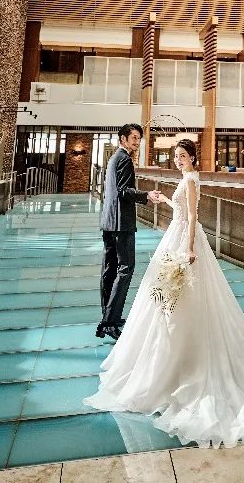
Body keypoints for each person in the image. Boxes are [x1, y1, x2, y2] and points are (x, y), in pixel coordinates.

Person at [83, 138, 244, 448]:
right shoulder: (186, 178)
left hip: (184, 240)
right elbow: (181, 210)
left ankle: (184, 355)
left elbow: (192, 217)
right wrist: (166, 201)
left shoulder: (191, 179)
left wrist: (189, 248)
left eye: (182, 156)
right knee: (164, 296)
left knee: (181, 296)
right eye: (176, 156)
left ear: (192, 157)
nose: (178, 160)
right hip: (175, 235)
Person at [97, 123, 149, 341]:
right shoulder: (125, 159)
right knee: (125, 269)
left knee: (109, 271)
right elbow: (123, 191)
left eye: (139, 138)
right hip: (121, 224)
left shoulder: (113, 158)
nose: (137, 142)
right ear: (123, 139)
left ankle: (109, 316)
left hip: (109, 222)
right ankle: (110, 322)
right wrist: (146, 195)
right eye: (133, 138)